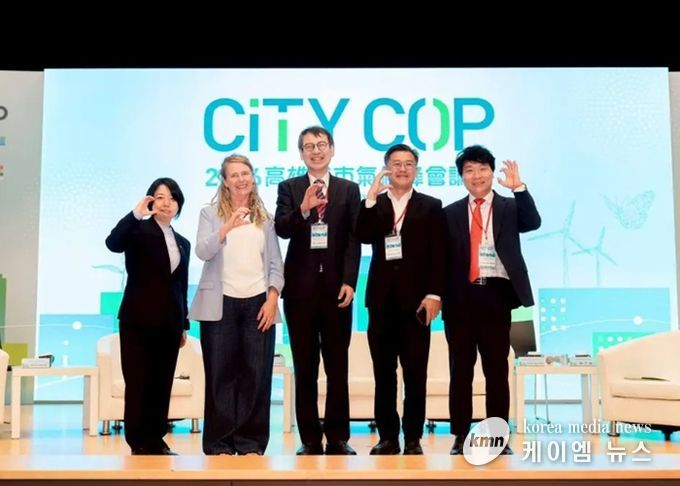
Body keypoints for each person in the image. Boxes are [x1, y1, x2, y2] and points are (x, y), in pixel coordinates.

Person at [443, 145, 541, 455]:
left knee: (496, 370)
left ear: (491, 172)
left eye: (482, 169)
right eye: (469, 170)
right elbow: (441, 260)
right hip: (460, 298)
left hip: (497, 295)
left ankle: (498, 436)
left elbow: (533, 222)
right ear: (462, 176)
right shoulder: (450, 213)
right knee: (460, 370)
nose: (477, 176)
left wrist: (519, 188)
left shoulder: (510, 207)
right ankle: (461, 434)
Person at [189, 154, 284, 456]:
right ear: (225, 181)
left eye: (245, 173)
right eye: (234, 175)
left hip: (259, 302)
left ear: (253, 178)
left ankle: (251, 443)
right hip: (220, 304)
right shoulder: (209, 213)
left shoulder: (265, 218)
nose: (241, 179)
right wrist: (226, 227)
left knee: (256, 375)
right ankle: (219, 443)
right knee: (220, 375)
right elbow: (202, 251)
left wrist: (272, 298)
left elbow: (275, 263)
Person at [275, 126, 361, 455]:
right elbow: (282, 229)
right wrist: (303, 208)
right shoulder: (289, 187)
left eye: (321, 144)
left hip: (337, 291)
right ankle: (310, 438)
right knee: (306, 366)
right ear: (301, 153)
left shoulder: (348, 189)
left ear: (332, 149)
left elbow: (353, 238)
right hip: (300, 293)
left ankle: (338, 437)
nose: (316, 151)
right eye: (308, 146)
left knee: (338, 367)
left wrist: (350, 281)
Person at [356, 143, 445, 455]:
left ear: (416, 169)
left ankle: (413, 438)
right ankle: (388, 438)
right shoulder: (375, 203)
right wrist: (369, 199)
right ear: (387, 169)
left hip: (418, 304)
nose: (402, 169)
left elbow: (439, 254)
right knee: (384, 375)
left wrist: (434, 294)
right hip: (380, 303)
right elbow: (362, 235)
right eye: (396, 164)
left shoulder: (431, 206)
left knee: (415, 375)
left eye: (408, 164)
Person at [105, 177, 190, 456]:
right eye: (160, 197)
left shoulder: (183, 242)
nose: (167, 203)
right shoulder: (138, 230)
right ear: (150, 200)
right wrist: (135, 214)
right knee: (138, 381)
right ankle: (137, 440)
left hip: (169, 322)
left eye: (172, 198)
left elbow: (181, 285)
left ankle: (156, 438)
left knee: (161, 382)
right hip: (138, 320)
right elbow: (112, 243)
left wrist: (183, 324)